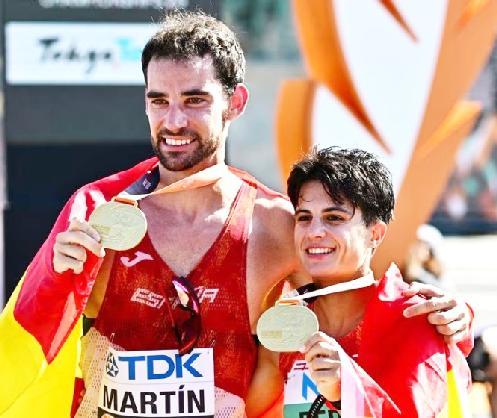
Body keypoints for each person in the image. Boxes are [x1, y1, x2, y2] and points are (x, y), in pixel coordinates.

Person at [0, 10, 472, 418]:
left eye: (195, 100)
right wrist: (55, 275)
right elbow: (27, 336)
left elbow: (361, 304)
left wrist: (453, 318)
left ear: (236, 103)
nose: (174, 121)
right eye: (159, 100)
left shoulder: (276, 225)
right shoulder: (98, 211)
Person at [246, 148, 471, 417]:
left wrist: (347, 391)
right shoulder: (284, 329)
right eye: (304, 218)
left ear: (375, 233)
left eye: (334, 218)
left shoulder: (415, 317)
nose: (314, 232)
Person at [404, 224, 453, 290]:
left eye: (421, 245)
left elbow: (444, 289)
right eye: (418, 244)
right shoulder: (411, 266)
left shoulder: (438, 270)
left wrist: (419, 274)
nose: (416, 248)